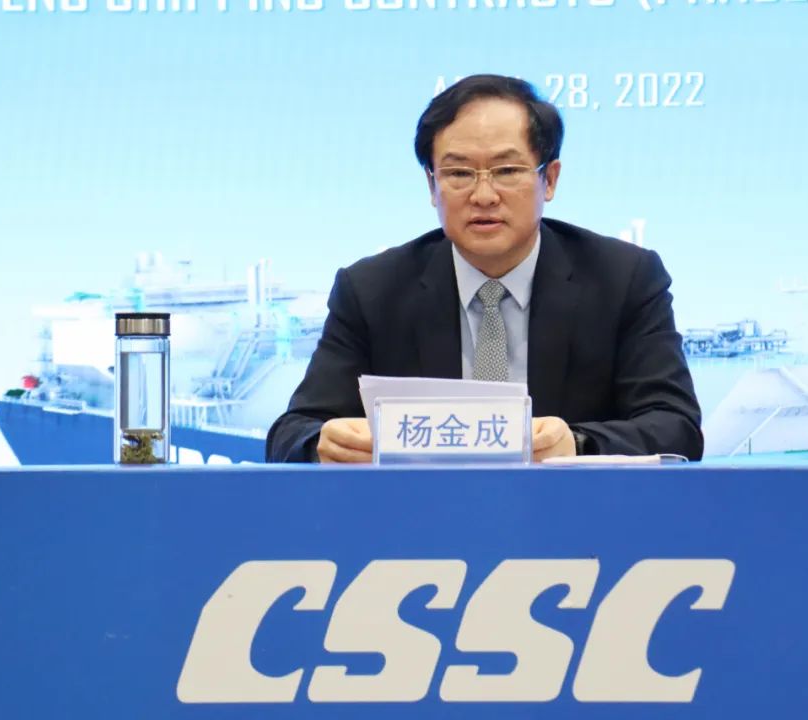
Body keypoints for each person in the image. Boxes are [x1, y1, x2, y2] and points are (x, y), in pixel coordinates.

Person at [266, 74, 702, 463]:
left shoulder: (623, 278)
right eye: (459, 173)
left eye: (507, 170)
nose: (484, 195)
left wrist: (577, 444)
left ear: (549, 179)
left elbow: (676, 426)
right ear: (432, 185)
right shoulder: (371, 290)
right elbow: (291, 433)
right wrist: (324, 444)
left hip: (572, 518)